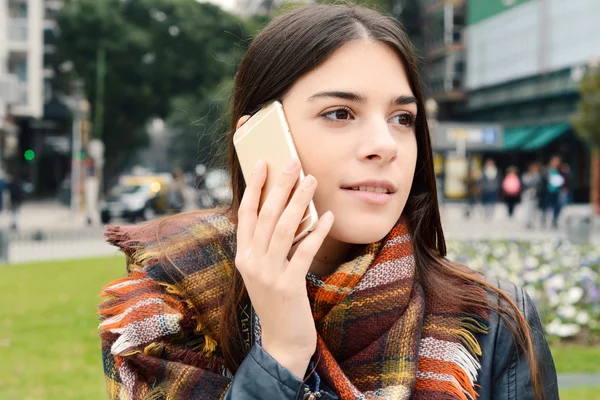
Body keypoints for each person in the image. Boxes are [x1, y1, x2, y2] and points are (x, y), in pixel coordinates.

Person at [98, 5, 558, 400]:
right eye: (340, 113)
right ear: (258, 139)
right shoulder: (171, 304)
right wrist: (281, 355)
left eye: (402, 118)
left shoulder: (491, 320)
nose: (386, 145)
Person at [541, 155, 564, 229]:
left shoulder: (561, 170)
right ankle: (544, 221)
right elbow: (542, 179)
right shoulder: (546, 169)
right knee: (546, 207)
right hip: (547, 191)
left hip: (557, 191)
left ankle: (554, 221)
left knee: (557, 207)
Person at [521, 162, 542, 229]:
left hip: (535, 196)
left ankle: (532, 222)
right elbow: (523, 184)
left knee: (533, 210)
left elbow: (540, 186)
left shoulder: (539, 176)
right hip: (527, 195)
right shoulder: (526, 176)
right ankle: (527, 222)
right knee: (527, 209)